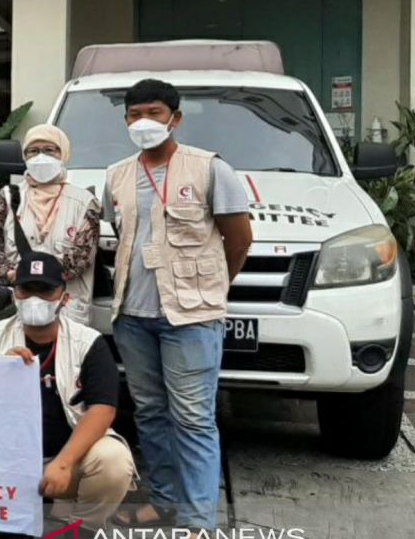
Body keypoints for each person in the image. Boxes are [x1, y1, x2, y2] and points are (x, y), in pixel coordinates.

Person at [102, 79, 252, 535]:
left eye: (153, 112)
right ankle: (162, 504)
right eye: (134, 115)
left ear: (176, 118)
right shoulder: (117, 175)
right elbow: (121, 234)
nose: (143, 123)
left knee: (193, 418)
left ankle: (197, 521)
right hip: (133, 316)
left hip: (190, 318)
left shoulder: (209, 170)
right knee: (149, 413)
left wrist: (209, 290)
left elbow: (239, 238)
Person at [0, 252, 134, 529]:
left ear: (64, 297)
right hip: (7, 460)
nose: (35, 299)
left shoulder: (89, 342)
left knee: (113, 461)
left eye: (46, 290)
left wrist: (63, 462)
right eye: (26, 289)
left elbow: (103, 409)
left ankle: (83, 526)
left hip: (68, 459)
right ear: (14, 295)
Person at [0, 124, 102, 323]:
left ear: (63, 154)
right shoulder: (8, 197)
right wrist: (11, 274)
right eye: (33, 151)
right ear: (24, 157)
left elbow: (82, 256)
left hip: (67, 308)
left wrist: (40, 276)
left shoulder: (84, 202)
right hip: (17, 305)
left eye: (49, 150)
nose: (41, 157)